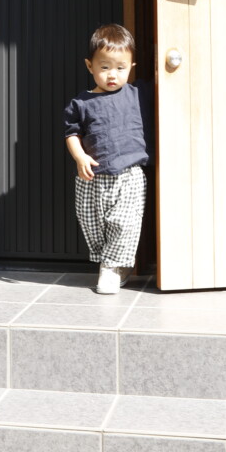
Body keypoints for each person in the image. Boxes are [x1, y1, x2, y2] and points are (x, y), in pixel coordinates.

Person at [63, 23, 150, 295]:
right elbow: (72, 133)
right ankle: (114, 263)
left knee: (124, 222)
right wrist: (80, 156)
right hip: (92, 177)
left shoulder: (137, 94)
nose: (113, 74)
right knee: (93, 225)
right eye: (104, 67)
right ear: (90, 66)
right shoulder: (81, 103)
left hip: (129, 174)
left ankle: (110, 269)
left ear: (131, 66)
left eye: (120, 68)